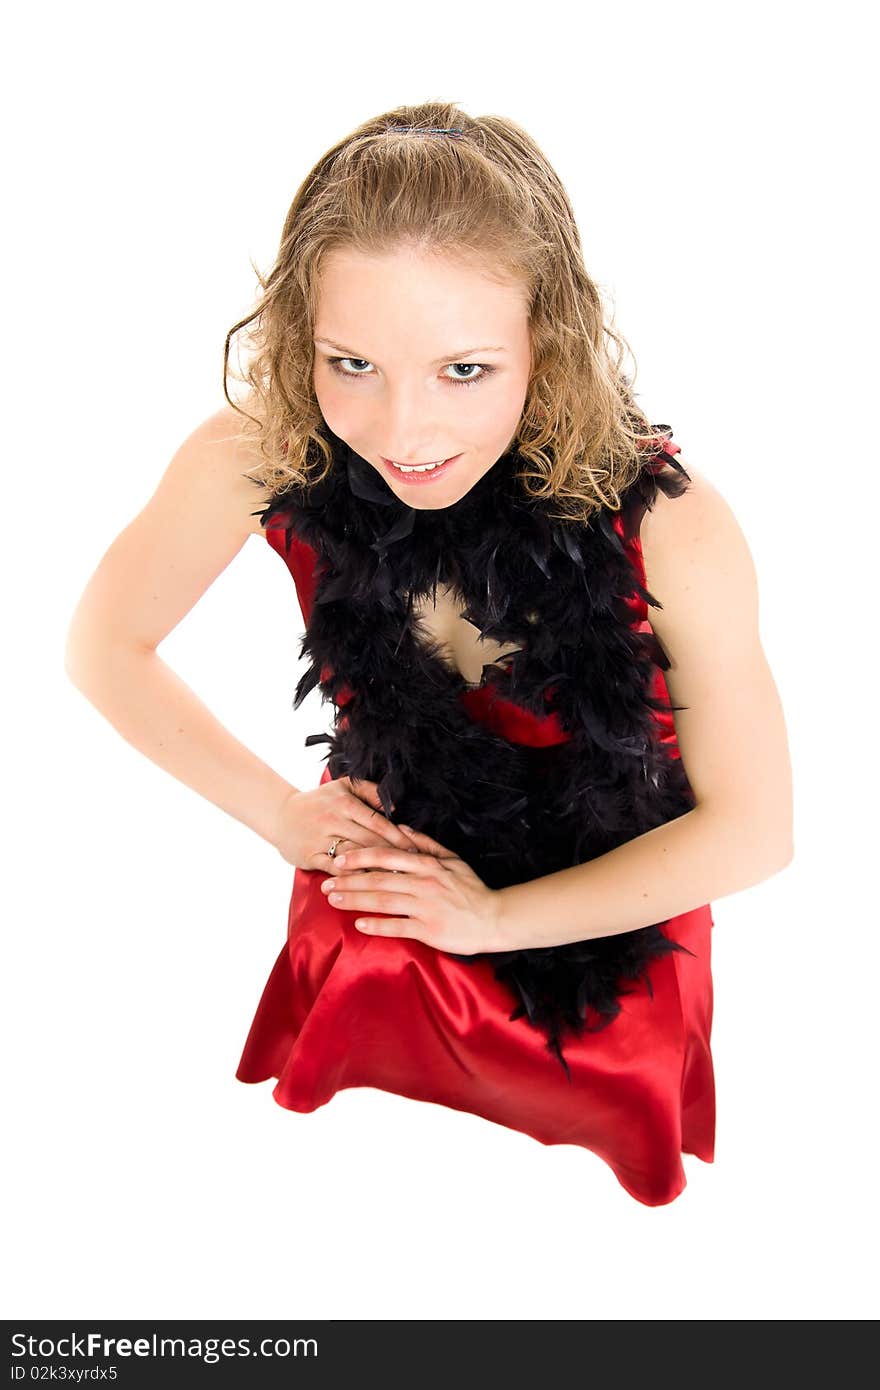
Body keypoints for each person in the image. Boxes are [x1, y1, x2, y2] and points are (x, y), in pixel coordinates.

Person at [64, 103, 793, 1207]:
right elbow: (103, 644)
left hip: (604, 926)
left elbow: (756, 830)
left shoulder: (673, 528)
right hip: (386, 884)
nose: (401, 430)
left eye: (464, 370)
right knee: (341, 1150)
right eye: (350, 362)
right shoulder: (257, 454)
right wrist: (278, 814)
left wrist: (494, 920)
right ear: (295, 332)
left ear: (545, 345)